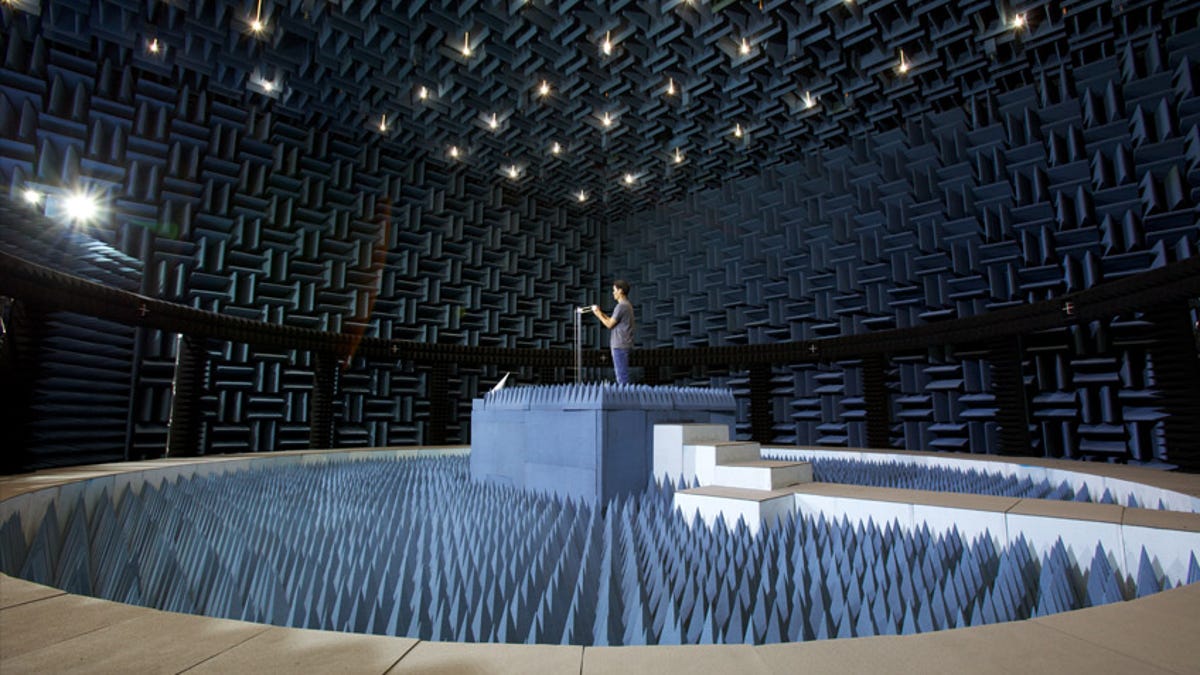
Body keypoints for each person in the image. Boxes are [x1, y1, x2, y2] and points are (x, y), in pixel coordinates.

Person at [591, 280, 635, 385]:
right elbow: (612, 320)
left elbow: (609, 324)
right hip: (624, 345)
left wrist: (597, 314)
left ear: (620, 291)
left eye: (614, 290)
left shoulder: (621, 306)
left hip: (620, 345)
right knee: (622, 376)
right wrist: (600, 312)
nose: (613, 293)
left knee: (622, 378)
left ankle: (625, 399)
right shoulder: (627, 305)